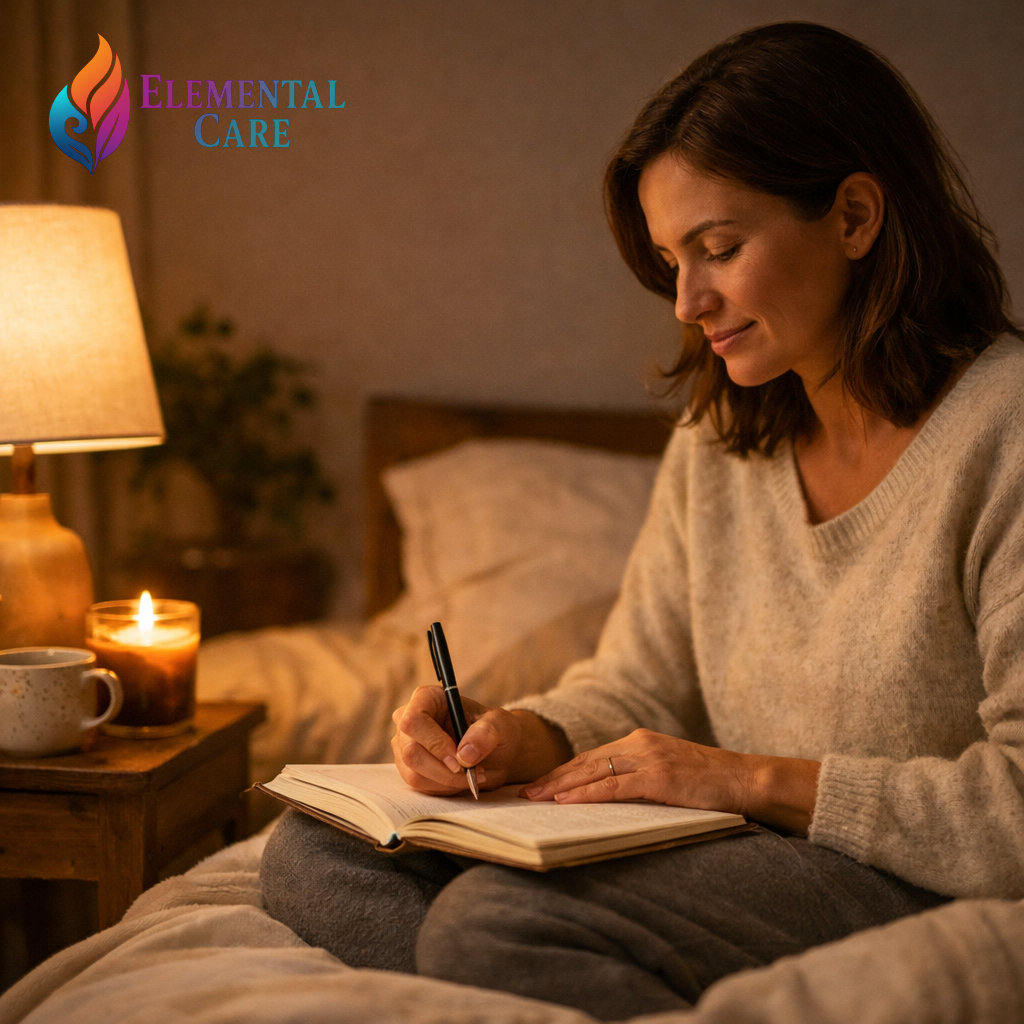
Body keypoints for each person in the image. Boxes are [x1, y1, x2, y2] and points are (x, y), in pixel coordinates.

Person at [261, 21, 1024, 1020]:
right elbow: (638, 681)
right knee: (314, 855)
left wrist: (744, 780)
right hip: (730, 857)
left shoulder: (1004, 430)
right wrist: (521, 737)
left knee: (494, 926)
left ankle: (493, 963)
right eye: (671, 261)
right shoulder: (720, 441)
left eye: (719, 249)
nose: (686, 301)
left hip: (903, 877)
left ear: (853, 215)